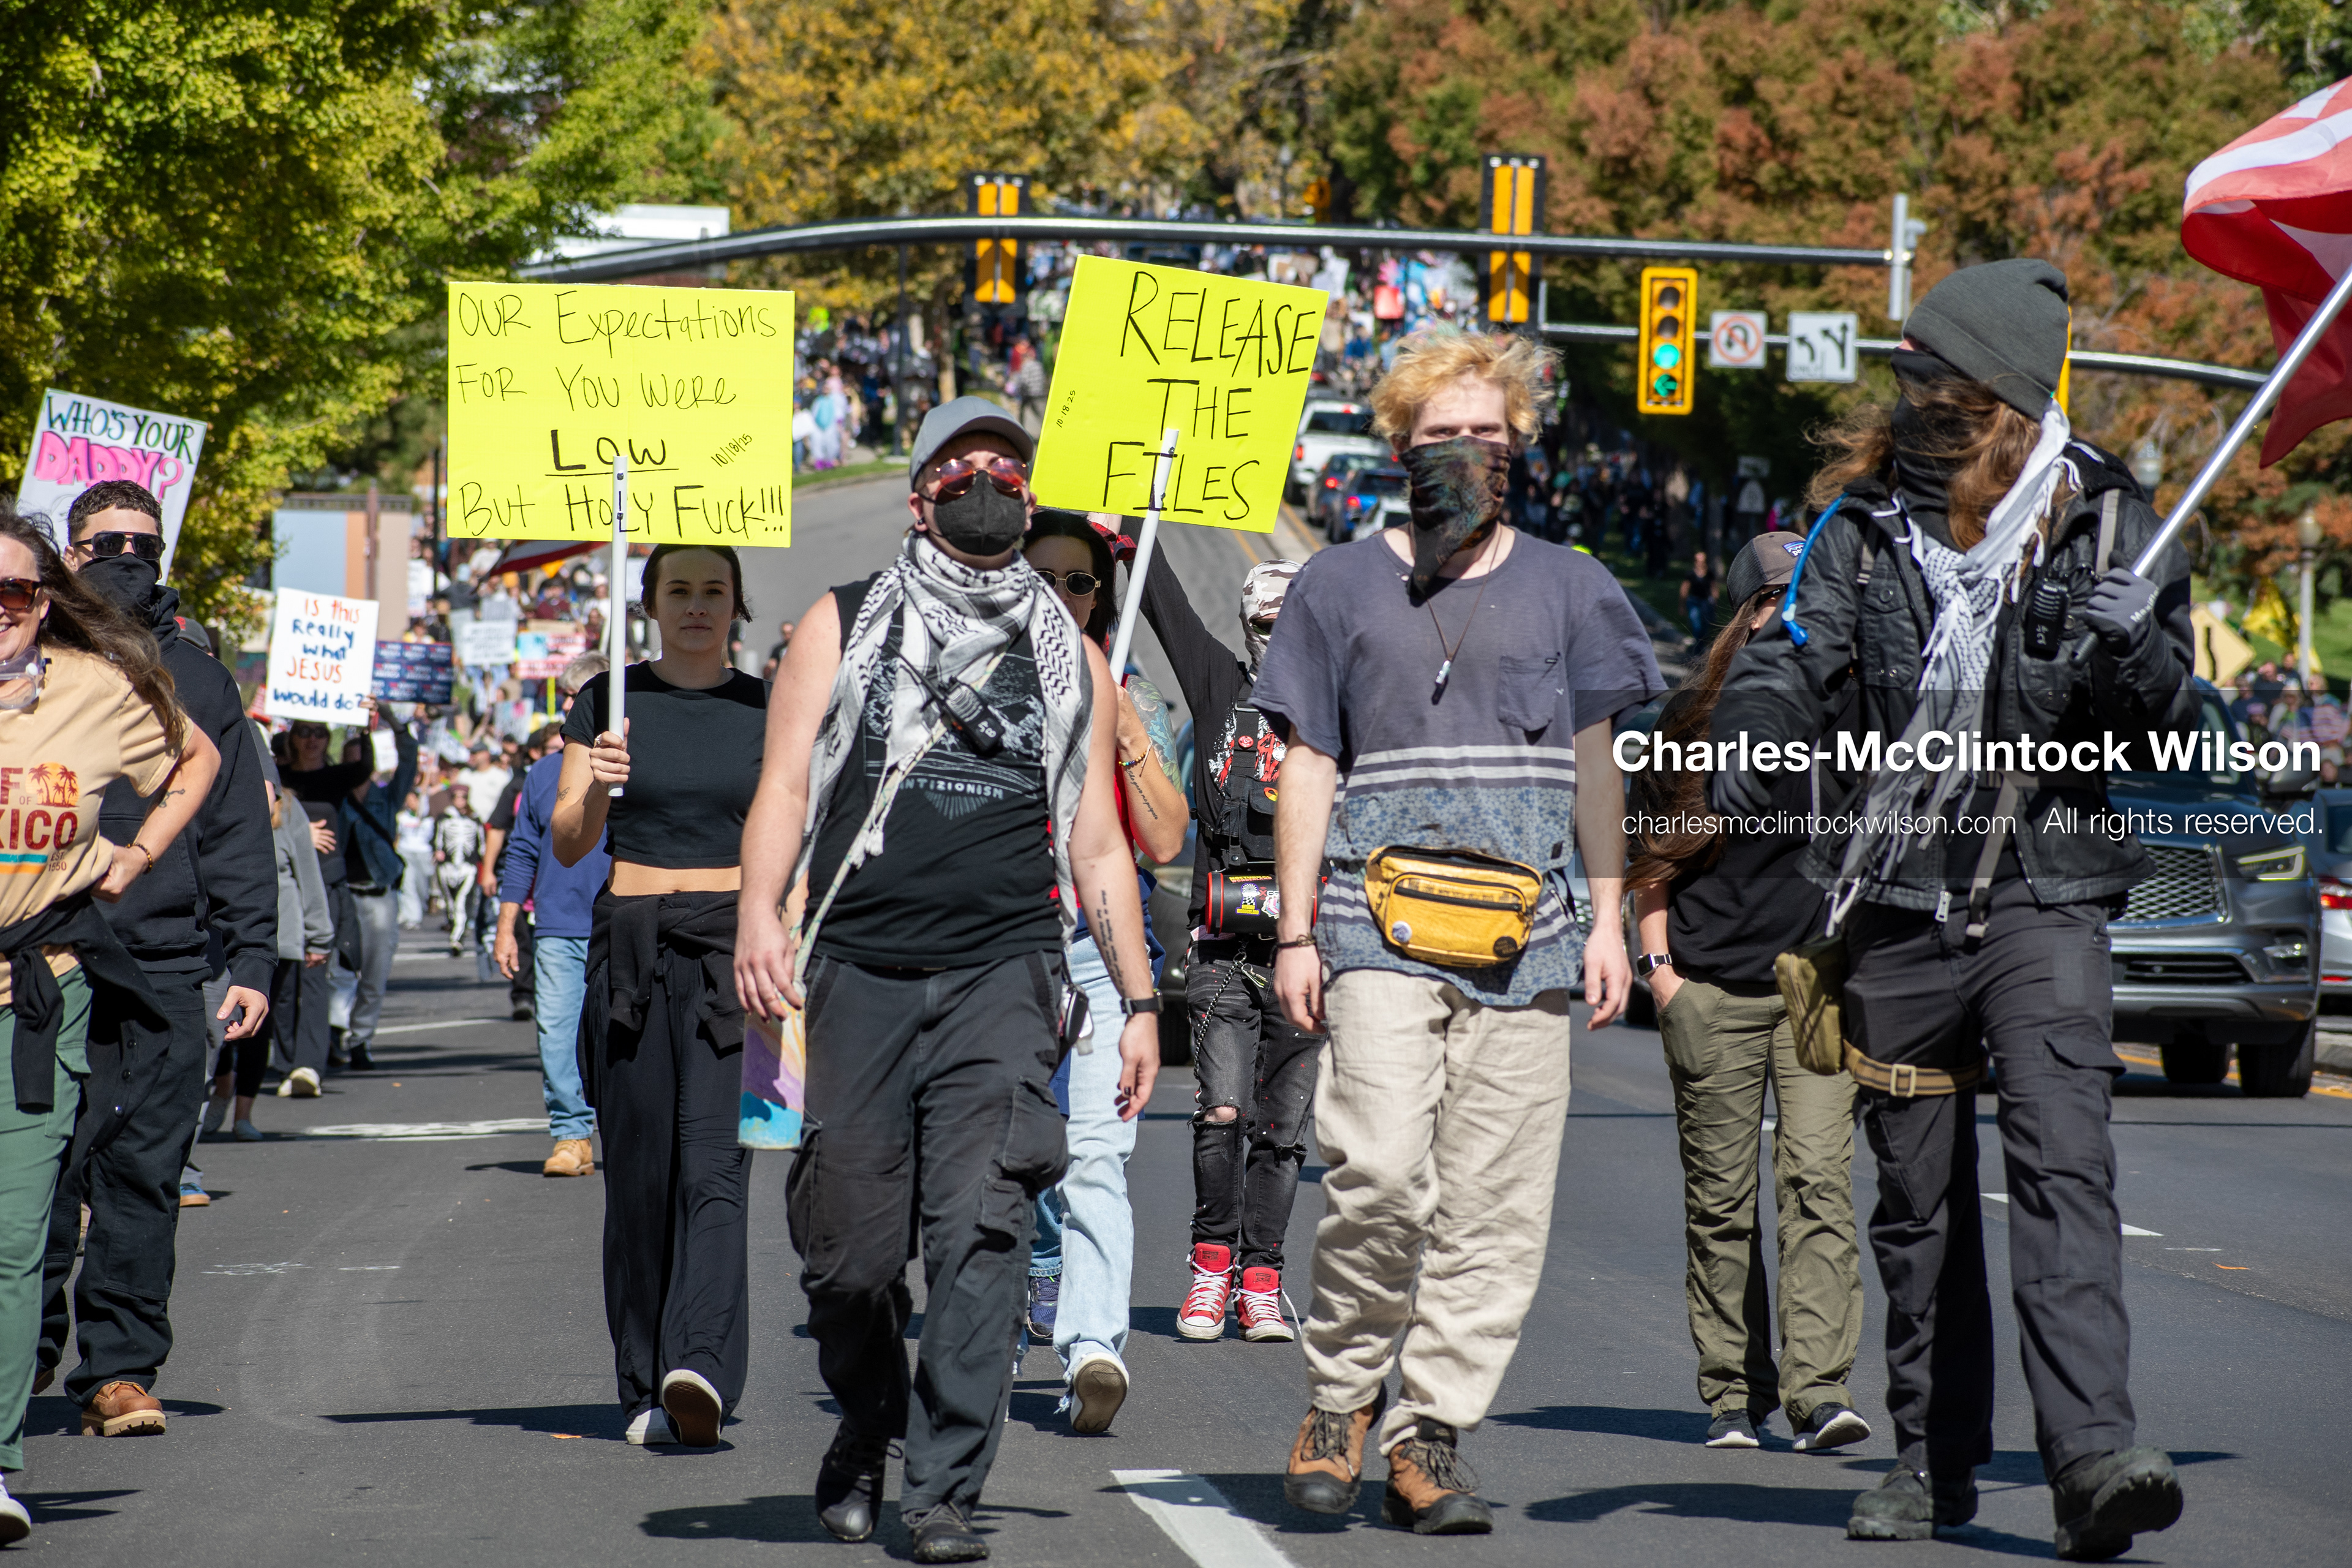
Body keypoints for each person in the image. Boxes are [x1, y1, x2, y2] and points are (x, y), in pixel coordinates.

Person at [1709, 260, 2198, 1558]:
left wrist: (2141, 641)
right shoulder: (1859, 531)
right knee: (1918, 1206)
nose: (1907, 393)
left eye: (1933, 375)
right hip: (1900, 904)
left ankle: (2094, 1453)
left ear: (2000, 397)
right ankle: (1930, 1462)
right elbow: (1787, 664)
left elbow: (2162, 731)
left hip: (2047, 891)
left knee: (2062, 1163)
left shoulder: (2114, 526)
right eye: (1906, 373)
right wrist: (1753, 747)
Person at [733, 396, 1163, 1562]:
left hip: (1005, 978)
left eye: (1009, 468)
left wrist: (1137, 1001)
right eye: (962, 465)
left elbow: (1099, 844)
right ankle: (869, 1417)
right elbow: (783, 788)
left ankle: (943, 1489)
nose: (989, 480)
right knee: (850, 1255)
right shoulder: (843, 620)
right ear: (918, 492)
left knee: (983, 1232)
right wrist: (757, 918)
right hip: (856, 974)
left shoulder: (1069, 653)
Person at [1259, 328, 1662, 1535]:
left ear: (1521, 447)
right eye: (1443, 437)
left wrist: (1604, 916)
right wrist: (1292, 933)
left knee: (1495, 1205)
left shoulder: (1573, 584)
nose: (1468, 455)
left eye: (1489, 436)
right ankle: (1339, 1400)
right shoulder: (1335, 587)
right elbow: (1310, 761)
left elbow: (1599, 762)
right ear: (1398, 445)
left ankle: (1428, 1433)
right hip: (1369, 923)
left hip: (1529, 934)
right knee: (1379, 1168)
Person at [31, 481, 275, 1436]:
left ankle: (121, 1370)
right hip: (43, 955)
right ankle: (25, 1353)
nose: (126, 557)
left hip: (168, 967)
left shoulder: (202, 682)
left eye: (143, 542)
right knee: (37, 1176)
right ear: (69, 556)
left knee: (142, 1174)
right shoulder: (29, 665)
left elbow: (236, 836)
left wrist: (254, 957)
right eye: (103, 544)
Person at [0, 505, 218, 1537]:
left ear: (47, 600)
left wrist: (127, 865)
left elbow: (204, 767)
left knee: (28, 1227)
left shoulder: (99, 689)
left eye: (18, 593)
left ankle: (16, 1444)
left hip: (52, 987)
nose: (3, 612)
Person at [1628, 535, 1866, 1453]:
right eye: (1775, 601)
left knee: (1816, 1179)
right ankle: (1734, 1395)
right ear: (1745, 614)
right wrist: (1663, 975)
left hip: (1813, 978)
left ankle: (1820, 1394)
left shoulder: (1848, 714)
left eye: (1808, 600)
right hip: (1711, 987)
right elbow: (1649, 862)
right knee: (1721, 1202)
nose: (1792, 617)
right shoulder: (1687, 720)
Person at [554, 545, 767, 1453]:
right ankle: (643, 1377)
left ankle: (702, 1369)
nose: (696, 606)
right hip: (633, 946)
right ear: (647, 605)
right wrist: (598, 788)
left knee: (717, 1170)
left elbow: (792, 837)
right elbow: (567, 843)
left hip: (736, 952)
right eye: (678, 590)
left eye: (713, 591)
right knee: (642, 1180)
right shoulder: (605, 700)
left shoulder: (768, 707)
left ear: (736, 607)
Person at [1019, 511, 1184, 1434]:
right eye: (1039, 577)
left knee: (1095, 1160)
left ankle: (1092, 1350)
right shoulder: (975, 679)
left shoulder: (1128, 693)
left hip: (1095, 953)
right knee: (999, 1162)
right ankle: (996, 1323)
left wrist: (1120, 727)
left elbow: (1162, 836)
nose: (1058, 596)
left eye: (1077, 583)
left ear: (1099, 597)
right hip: (997, 952)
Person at [1133, 544, 1322, 1343]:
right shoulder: (1218, 689)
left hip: (1305, 955)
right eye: (1264, 624)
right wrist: (1129, 522)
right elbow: (1160, 597)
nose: (1277, 639)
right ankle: (1212, 1269)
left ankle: (1263, 1280)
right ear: (1245, 628)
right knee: (1221, 1112)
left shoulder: (1338, 709)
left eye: (1294, 625)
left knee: (1282, 1129)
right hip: (1219, 951)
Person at [497, 659, 612, 1178]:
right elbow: (521, 851)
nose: (568, 706)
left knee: (627, 1037)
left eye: (580, 696)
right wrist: (505, 928)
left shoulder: (639, 764)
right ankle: (571, 1135)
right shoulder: (542, 775)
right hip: (559, 927)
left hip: (625, 921)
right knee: (558, 1033)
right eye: (566, 697)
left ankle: (630, 1131)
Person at [282, 709, 417, 1073]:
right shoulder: (335, 790)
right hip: (340, 891)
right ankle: (335, 1032)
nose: (356, 760)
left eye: (363, 754)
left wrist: (386, 716)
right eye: (351, 754)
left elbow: (410, 758)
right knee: (336, 969)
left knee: (373, 973)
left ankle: (360, 1039)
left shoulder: (386, 797)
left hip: (378, 895)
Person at [210, 755, 331, 1143]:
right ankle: (221, 1088)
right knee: (218, 1023)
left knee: (256, 1028)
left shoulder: (290, 811)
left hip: (280, 935)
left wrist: (319, 935)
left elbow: (308, 875)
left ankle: (243, 1114)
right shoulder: (215, 800)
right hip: (223, 932)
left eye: (269, 787)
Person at [434, 785, 485, 957]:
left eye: (463, 797)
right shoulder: (443, 818)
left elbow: (482, 844)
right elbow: (436, 840)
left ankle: (457, 939)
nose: (460, 800)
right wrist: (437, 851)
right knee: (450, 904)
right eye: (457, 797)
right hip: (447, 868)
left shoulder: (475, 819)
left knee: (461, 904)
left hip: (467, 868)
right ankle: (454, 929)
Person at [1681, 549, 1715, 641]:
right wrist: (1682, 605)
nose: (1700, 563)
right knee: (1696, 625)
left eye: (1702, 561)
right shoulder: (1690, 574)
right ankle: (1697, 647)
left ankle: (1700, 646)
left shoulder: (1709, 573)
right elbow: (1684, 589)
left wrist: (1715, 601)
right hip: (1694, 601)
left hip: (1706, 602)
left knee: (1705, 625)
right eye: (1697, 561)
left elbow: (1714, 587)